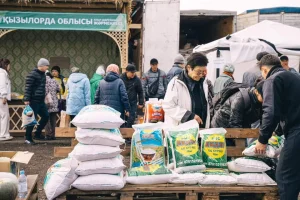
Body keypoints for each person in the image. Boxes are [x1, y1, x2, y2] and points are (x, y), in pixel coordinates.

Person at [255, 54, 300, 200]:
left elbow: (271, 111)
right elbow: (290, 107)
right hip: (295, 128)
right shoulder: (293, 77)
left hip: (297, 130)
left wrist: (262, 139)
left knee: (284, 175)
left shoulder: (272, 80)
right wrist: (278, 131)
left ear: (264, 70)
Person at [162, 53, 213, 128]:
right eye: (198, 71)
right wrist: (190, 116)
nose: (201, 75)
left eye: (203, 71)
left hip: (202, 129)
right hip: (182, 131)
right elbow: (168, 106)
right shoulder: (176, 83)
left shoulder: (205, 83)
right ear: (189, 68)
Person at [23, 58, 50, 144]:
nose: (47, 68)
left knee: (46, 116)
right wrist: (26, 99)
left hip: (41, 101)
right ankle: (28, 138)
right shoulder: (32, 75)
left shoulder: (43, 75)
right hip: (33, 100)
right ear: (41, 66)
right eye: (46, 66)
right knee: (31, 119)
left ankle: (37, 133)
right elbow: (28, 87)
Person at [45, 72, 60, 140]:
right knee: (53, 120)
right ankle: (53, 135)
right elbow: (59, 89)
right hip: (54, 103)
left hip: (46, 102)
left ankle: (47, 135)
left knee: (46, 120)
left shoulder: (43, 81)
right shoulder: (55, 81)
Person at [0, 59, 13, 141]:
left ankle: (3, 134)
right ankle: (3, 134)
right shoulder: (2, 73)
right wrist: (4, 96)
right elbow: (2, 85)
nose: (10, 67)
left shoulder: (2, 73)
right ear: (6, 65)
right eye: (9, 65)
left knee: (3, 116)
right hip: (1, 97)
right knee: (5, 116)